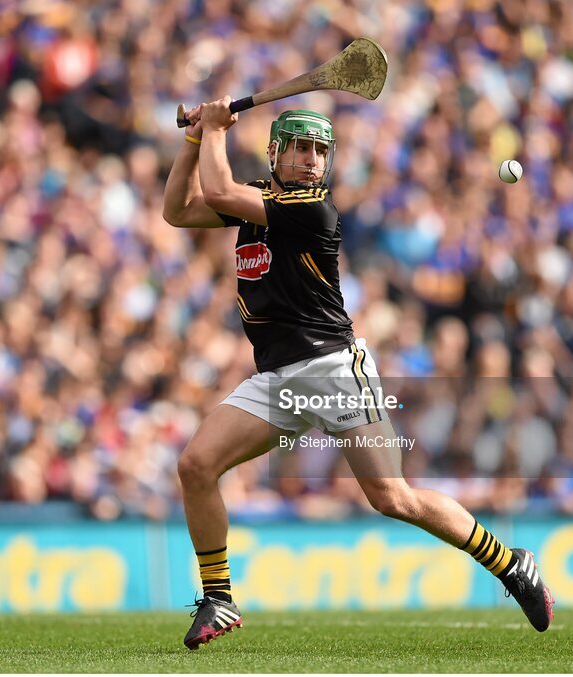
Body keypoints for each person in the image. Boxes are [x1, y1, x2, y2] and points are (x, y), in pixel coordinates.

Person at [162, 96, 553, 650]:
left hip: (332, 369)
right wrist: (196, 138)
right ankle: (219, 599)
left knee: (392, 496)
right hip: (276, 377)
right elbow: (178, 210)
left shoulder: (312, 209)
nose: (311, 160)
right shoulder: (258, 195)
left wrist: (216, 125)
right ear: (275, 152)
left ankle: (512, 564)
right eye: (300, 148)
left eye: (321, 151)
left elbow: (220, 192)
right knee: (196, 465)